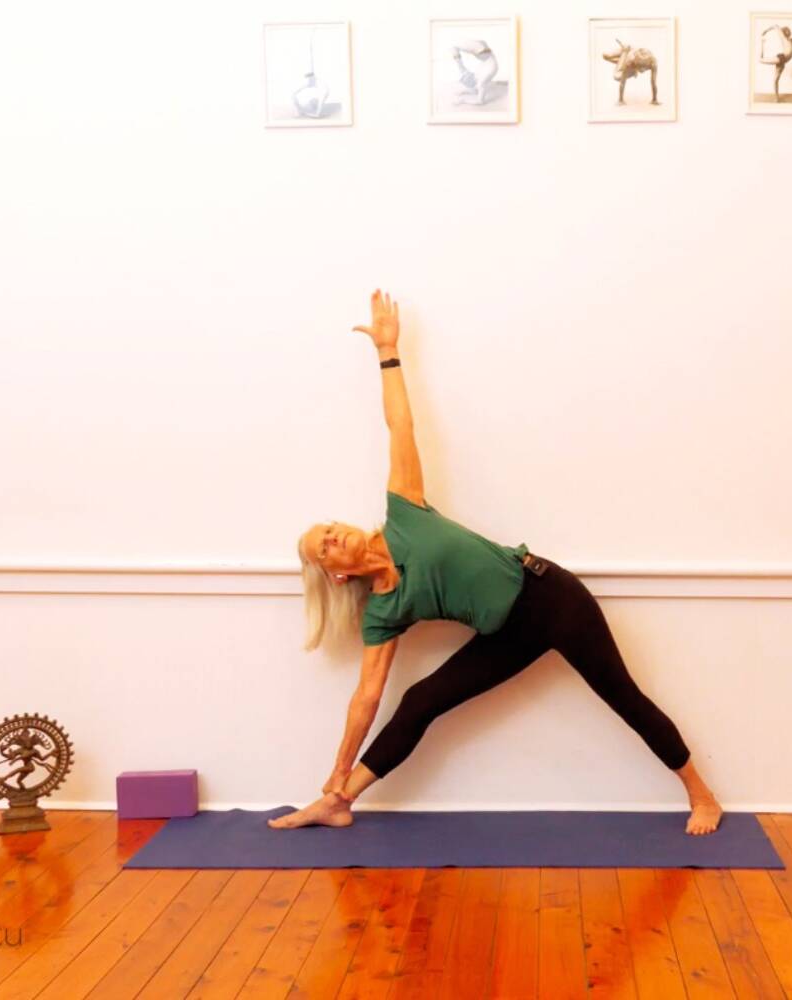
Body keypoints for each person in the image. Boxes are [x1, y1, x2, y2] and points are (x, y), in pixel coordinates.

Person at [273, 290, 724, 836]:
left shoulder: (403, 511)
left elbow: (401, 428)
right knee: (420, 700)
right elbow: (366, 695)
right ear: (337, 574)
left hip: (551, 598)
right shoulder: (383, 611)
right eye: (324, 548)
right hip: (507, 631)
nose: (335, 536)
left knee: (621, 695)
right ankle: (340, 799)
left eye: (329, 528)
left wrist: (388, 355)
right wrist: (338, 767)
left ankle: (702, 795)